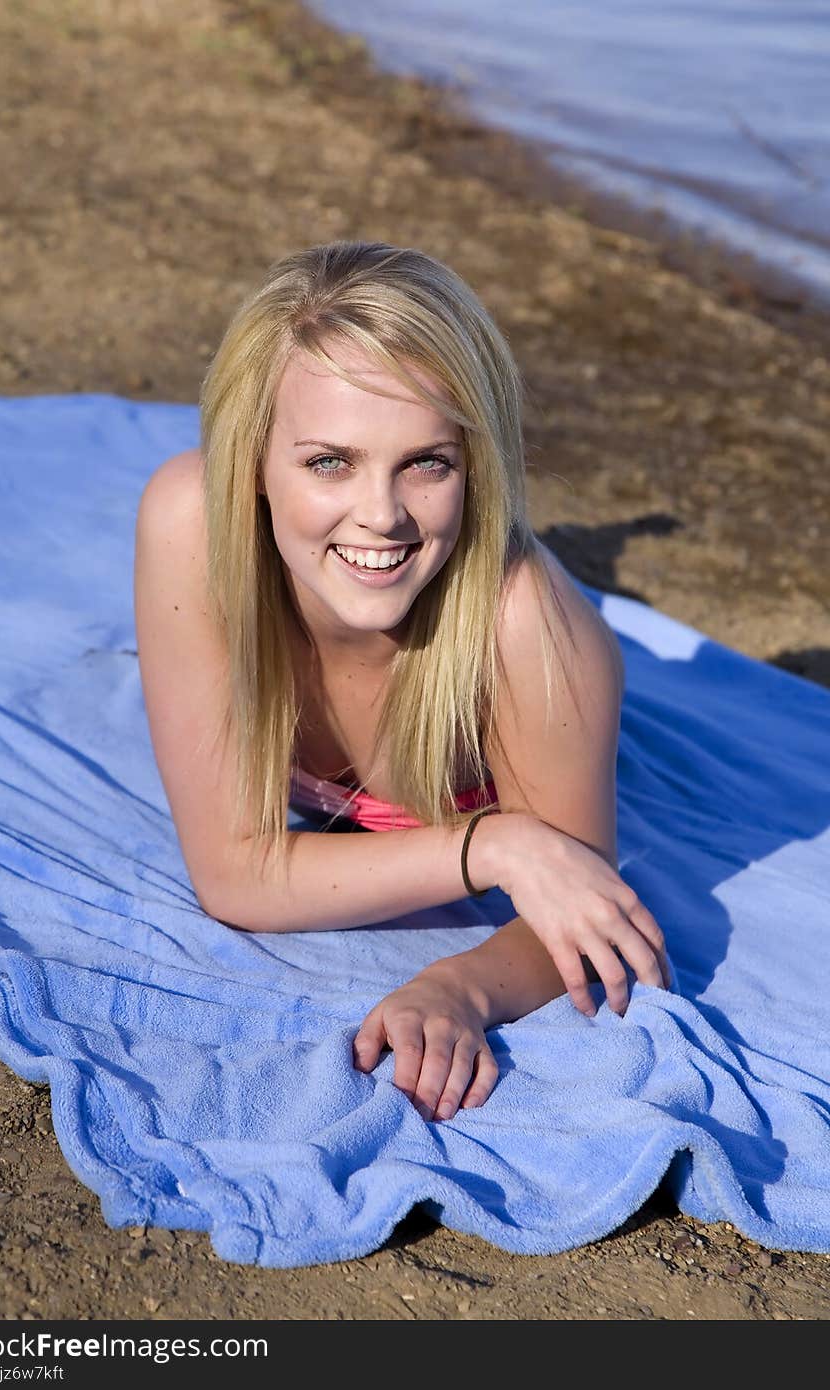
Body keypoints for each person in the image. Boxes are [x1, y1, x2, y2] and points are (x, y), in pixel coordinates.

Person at [134, 239, 671, 1124]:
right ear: (255, 459)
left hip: (547, 686)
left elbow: (581, 906)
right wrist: (491, 846)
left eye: (427, 462)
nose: (381, 515)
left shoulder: (526, 636)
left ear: (476, 465)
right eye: (327, 462)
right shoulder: (192, 524)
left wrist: (460, 987)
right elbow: (234, 875)